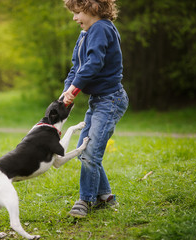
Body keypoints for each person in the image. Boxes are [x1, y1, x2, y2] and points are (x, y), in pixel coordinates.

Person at [62, 0, 129, 217]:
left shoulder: (101, 28)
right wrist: (67, 92)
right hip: (98, 101)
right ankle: (106, 197)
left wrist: (76, 87)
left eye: (78, 12)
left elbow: (94, 62)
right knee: (83, 150)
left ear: (93, 8)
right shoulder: (85, 34)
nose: (74, 18)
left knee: (90, 153)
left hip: (110, 100)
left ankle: (85, 200)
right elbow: (76, 67)